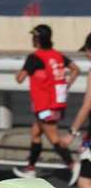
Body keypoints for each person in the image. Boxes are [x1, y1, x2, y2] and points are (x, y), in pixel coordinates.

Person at [13, 24, 79, 178]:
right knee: (36, 133)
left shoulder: (35, 57)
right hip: (57, 103)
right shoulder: (58, 55)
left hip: (44, 106)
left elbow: (20, 79)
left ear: (37, 39)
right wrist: (67, 84)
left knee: (53, 137)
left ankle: (73, 164)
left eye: (33, 37)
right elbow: (75, 69)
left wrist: (23, 71)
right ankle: (30, 168)